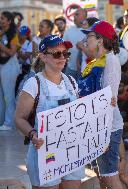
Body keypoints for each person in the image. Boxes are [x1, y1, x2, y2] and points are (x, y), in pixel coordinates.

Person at [15, 35, 85, 189]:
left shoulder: (71, 82)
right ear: (43, 57)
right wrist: (33, 134)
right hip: (45, 154)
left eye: (65, 53)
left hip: (72, 152)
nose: (62, 57)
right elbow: (19, 118)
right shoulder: (33, 84)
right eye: (56, 54)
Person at [79, 20, 124, 189]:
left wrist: (103, 136)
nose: (86, 41)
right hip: (96, 126)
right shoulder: (94, 62)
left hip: (107, 128)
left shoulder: (110, 61)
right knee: (104, 178)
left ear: (100, 40)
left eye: (89, 36)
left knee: (110, 179)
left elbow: (108, 101)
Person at [0, 11, 21, 131]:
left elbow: (11, 52)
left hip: (9, 66)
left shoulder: (13, 34)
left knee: (8, 96)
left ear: (9, 21)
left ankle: (9, 123)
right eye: (0, 18)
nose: (1, 20)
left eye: (3, 18)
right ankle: (0, 121)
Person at [63, 8, 87, 80]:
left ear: (84, 16)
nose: (74, 16)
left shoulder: (89, 31)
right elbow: (63, 47)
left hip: (85, 69)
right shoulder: (68, 31)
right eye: (74, 14)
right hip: (70, 68)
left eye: (76, 14)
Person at [15, 25, 33, 97]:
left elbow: (25, 57)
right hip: (15, 66)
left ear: (26, 35)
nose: (19, 35)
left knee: (19, 85)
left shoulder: (29, 43)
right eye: (19, 33)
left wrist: (17, 50)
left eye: (22, 34)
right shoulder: (15, 42)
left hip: (25, 68)